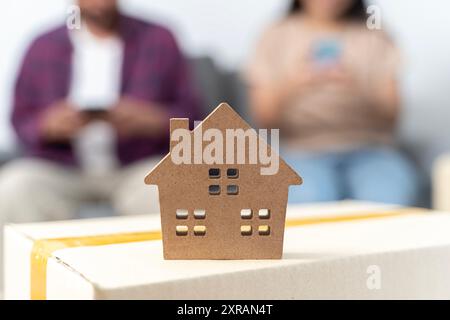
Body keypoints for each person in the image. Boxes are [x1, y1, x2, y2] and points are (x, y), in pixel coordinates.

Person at [0, 0, 201, 225]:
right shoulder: (42, 46)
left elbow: (193, 118)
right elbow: (20, 121)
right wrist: (47, 125)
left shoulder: (159, 39)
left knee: (177, 190)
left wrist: (150, 120)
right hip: (63, 168)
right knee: (14, 188)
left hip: (138, 167)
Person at [246, 0, 420, 205]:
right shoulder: (276, 35)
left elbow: (392, 117)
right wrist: (296, 83)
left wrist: (357, 85)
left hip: (370, 150)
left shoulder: (375, 33)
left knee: (388, 201)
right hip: (301, 151)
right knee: (308, 205)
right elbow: (264, 119)